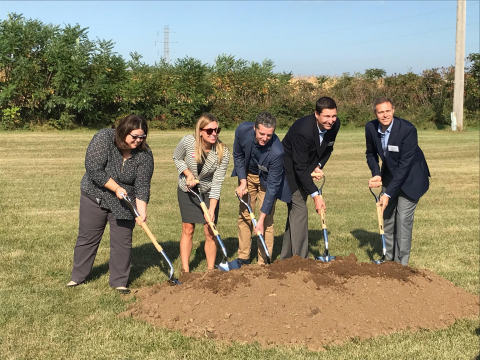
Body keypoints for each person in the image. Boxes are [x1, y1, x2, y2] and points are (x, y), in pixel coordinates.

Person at [67, 115, 154, 294]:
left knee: (122, 242)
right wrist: (115, 188)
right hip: (96, 193)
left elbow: (142, 185)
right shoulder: (104, 138)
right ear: (123, 132)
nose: (138, 141)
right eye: (135, 136)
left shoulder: (145, 154)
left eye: (142, 137)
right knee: (88, 237)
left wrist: (141, 211)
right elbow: (93, 168)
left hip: (124, 201)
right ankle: (78, 277)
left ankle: (119, 282)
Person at [365, 97, 430, 265]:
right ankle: (388, 261)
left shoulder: (407, 130)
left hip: (411, 179)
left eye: (388, 111)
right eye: (381, 112)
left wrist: (387, 193)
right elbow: (370, 153)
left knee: (402, 221)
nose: (385, 115)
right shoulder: (370, 128)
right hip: (390, 176)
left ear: (393, 110)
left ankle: (401, 265)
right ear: (375, 113)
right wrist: (377, 173)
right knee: (386, 217)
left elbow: (405, 166)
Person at [281, 96, 341, 259]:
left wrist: (318, 166)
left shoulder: (335, 125)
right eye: (327, 116)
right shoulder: (303, 130)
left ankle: (287, 258)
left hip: (306, 164)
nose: (331, 120)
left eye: (333, 116)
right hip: (288, 168)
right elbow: (299, 167)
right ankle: (301, 260)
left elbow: (328, 149)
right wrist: (316, 196)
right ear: (316, 114)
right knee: (299, 209)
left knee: (295, 214)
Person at [231, 112, 291, 265]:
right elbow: (238, 155)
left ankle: (263, 262)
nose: (265, 138)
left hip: (267, 180)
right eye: (261, 134)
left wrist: (261, 219)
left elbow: (272, 188)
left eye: (269, 135)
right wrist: (243, 181)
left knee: (266, 220)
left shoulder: (277, 152)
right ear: (254, 128)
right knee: (244, 215)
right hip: (247, 175)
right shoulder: (242, 130)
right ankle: (243, 258)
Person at [173, 113, 230, 272]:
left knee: (210, 230)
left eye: (217, 130)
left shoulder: (222, 151)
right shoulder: (188, 142)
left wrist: (211, 209)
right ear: (200, 131)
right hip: (188, 189)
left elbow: (217, 182)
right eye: (210, 131)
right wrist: (188, 174)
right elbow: (177, 158)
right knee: (188, 228)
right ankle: (185, 270)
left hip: (208, 190)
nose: (214, 134)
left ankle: (211, 270)